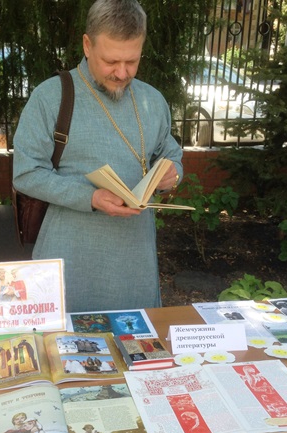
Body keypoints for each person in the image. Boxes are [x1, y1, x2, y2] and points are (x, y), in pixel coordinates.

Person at [13, 0, 183, 313]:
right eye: (111, 61)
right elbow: (26, 173)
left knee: (136, 336)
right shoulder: (50, 97)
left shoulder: (153, 100)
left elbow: (170, 152)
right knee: (64, 341)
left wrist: (171, 174)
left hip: (135, 263)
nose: (122, 72)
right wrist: (90, 197)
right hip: (69, 259)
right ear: (87, 45)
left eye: (132, 61)